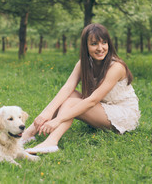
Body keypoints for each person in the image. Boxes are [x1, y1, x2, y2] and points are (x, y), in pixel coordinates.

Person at [22, 23, 140, 154]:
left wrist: (57, 120)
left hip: (122, 114)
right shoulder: (83, 64)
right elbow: (67, 88)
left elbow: (92, 101)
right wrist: (47, 113)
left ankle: (51, 142)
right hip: (102, 108)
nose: (100, 48)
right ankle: (29, 133)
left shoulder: (116, 67)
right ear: (86, 46)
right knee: (70, 95)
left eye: (104, 43)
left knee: (71, 102)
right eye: (94, 44)